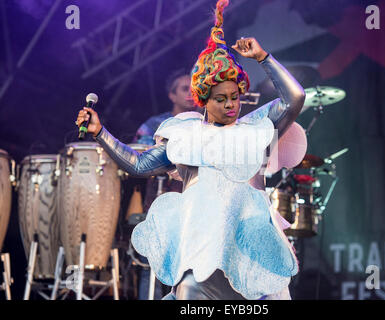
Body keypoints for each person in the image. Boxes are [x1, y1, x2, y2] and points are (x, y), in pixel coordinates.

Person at [76, 0, 305, 300]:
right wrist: (100, 133)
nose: (231, 105)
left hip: (250, 259)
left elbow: (295, 97)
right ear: (204, 100)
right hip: (200, 259)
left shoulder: (256, 129)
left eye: (235, 96)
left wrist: (263, 58)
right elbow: (139, 165)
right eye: (221, 98)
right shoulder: (186, 135)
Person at [133, 69, 197, 300]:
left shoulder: (205, 122)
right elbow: (138, 153)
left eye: (193, 88)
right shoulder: (155, 125)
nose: (190, 94)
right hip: (160, 200)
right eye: (183, 89)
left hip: (195, 203)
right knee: (151, 263)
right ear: (172, 96)